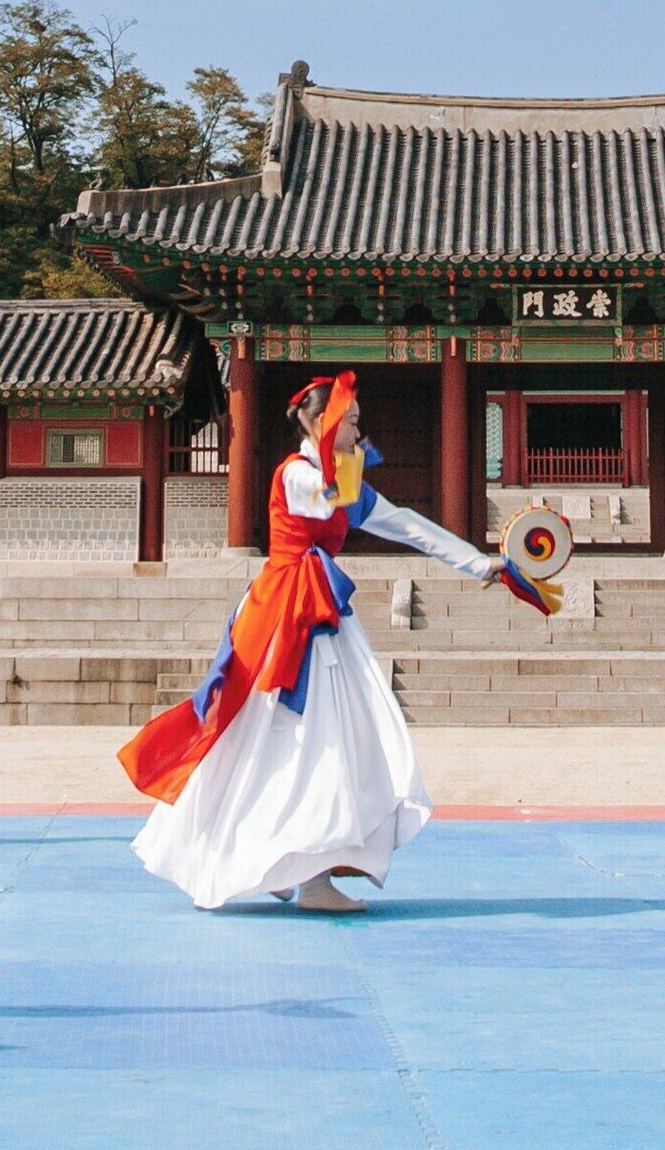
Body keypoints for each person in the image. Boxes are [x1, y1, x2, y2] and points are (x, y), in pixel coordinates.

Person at [120, 372, 549, 911]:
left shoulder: (335, 477)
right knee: (302, 738)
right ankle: (301, 872)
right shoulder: (297, 474)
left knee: (306, 738)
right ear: (323, 423)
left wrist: (479, 563)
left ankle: (283, 861)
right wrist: (345, 466)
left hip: (316, 612)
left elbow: (404, 523)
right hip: (285, 616)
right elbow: (329, 501)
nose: (359, 432)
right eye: (350, 421)